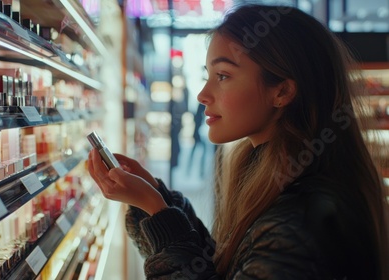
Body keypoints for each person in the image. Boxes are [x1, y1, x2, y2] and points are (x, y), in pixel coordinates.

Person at [88, 4, 389, 279]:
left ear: (282, 92)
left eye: (222, 76)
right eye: (208, 75)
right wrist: (158, 201)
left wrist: (156, 210)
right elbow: (227, 269)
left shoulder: (299, 216)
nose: (202, 95)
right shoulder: (282, 175)